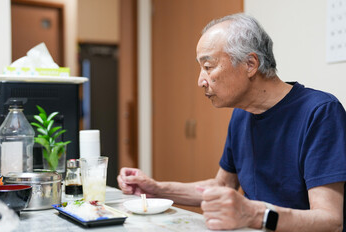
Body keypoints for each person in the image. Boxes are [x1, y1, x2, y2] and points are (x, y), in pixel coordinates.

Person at [117, 13, 346, 232]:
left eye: (208, 67)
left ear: (250, 64)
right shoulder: (241, 115)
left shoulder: (320, 112)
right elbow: (223, 187)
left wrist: (253, 214)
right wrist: (156, 188)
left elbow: (330, 220)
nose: (200, 81)